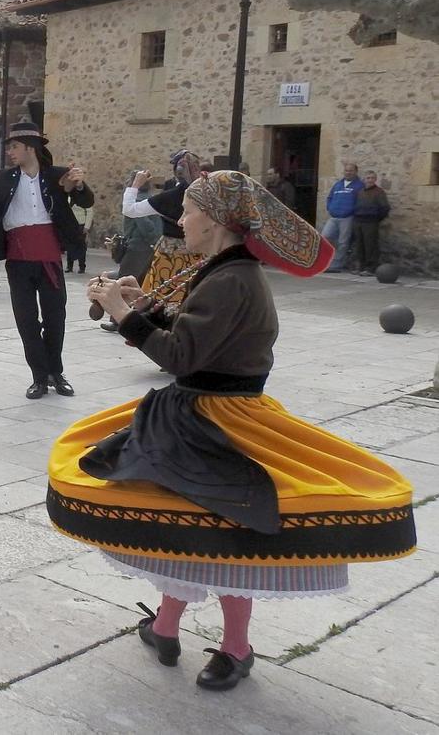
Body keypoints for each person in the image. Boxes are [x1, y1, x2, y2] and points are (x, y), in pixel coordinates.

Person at [51, 170, 415, 692]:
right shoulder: (222, 272)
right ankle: (166, 627)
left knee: (223, 536)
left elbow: (180, 356)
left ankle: (236, 648)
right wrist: (136, 303)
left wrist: (122, 313)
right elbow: (191, 332)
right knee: (184, 529)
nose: (180, 219)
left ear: (217, 219)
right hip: (197, 415)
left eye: (189, 210)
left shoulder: (231, 280)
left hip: (216, 422)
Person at [0, 123, 93, 399]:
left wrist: (79, 184)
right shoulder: (5, 178)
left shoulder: (57, 176)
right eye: (9, 147)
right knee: (27, 320)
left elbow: (85, 200)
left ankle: (56, 371)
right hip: (18, 259)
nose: (10, 152)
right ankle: (39, 377)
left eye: (14, 147)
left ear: (30, 148)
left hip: (49, 258)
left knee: (56, 317)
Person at [125, 149, 205, 309]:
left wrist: (135, 184)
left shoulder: (172, 196)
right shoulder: (207, 192)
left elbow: (129, 210)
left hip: (170, 256)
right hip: (198, 254)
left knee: (161, 297)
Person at [101, 170, 163, 333]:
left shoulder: (138, 200)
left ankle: (116, 320)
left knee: (124, 281)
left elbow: (146, 226)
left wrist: (148, 238)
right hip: (146, 246)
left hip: (138, 247)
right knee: (141, 282)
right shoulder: (151, 199)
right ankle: (140, 317)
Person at [322, 161, 363, 273]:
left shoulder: (359, 186)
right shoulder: (338, 184)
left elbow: (360, 202)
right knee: (325, 237)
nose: (348, 173)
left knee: (343, 242)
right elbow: (329, 197)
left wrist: (351, 211)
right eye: (346, 170)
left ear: (355, 172)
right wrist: (330, 208)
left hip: (347, 218)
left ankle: (336, 265)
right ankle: (324, 262)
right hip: (334, 217)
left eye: (351, 171)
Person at [352, 170, 390, 275]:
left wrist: (376, 219)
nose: (370, 180)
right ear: (364, 179)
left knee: (370, 246)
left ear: (375, 179)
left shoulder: (379, 192)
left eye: (372, 178)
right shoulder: (360, 192)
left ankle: (371, 268)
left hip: (371, 222)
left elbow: (385, 208)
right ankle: (360, 267)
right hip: (358, 221)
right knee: (359, 245)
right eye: (368, 178)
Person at [65, 201, 94, 274]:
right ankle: (69, 266)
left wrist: (87, 226)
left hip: (80, 224)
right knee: (70, 245)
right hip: (70, 224)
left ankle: (82, 267)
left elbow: (90, 212)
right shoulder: (68, 196)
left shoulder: (85, 197)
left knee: (81, 246)